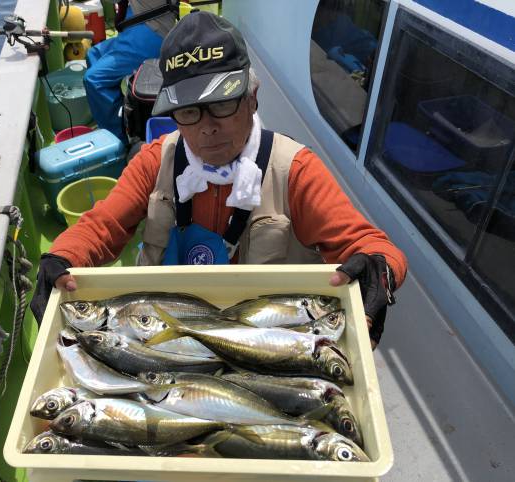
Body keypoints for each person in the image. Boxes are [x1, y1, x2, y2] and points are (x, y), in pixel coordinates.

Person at [32, 11, 408, 348]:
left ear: (252, 97)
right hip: (167, 336)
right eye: (188, 111)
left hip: (265, 344)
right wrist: (61, 257)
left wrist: (379, 269)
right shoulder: (155, 161)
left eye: (223, 104)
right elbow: (102, 225)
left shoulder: (294, 170)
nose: (207, 127)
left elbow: (369, 245)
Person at [84, 0, 179, 142]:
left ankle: (117, 139)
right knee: (93, 54)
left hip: (150, 33)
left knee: (94, 79)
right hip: (137, 26)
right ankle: (116, 114)